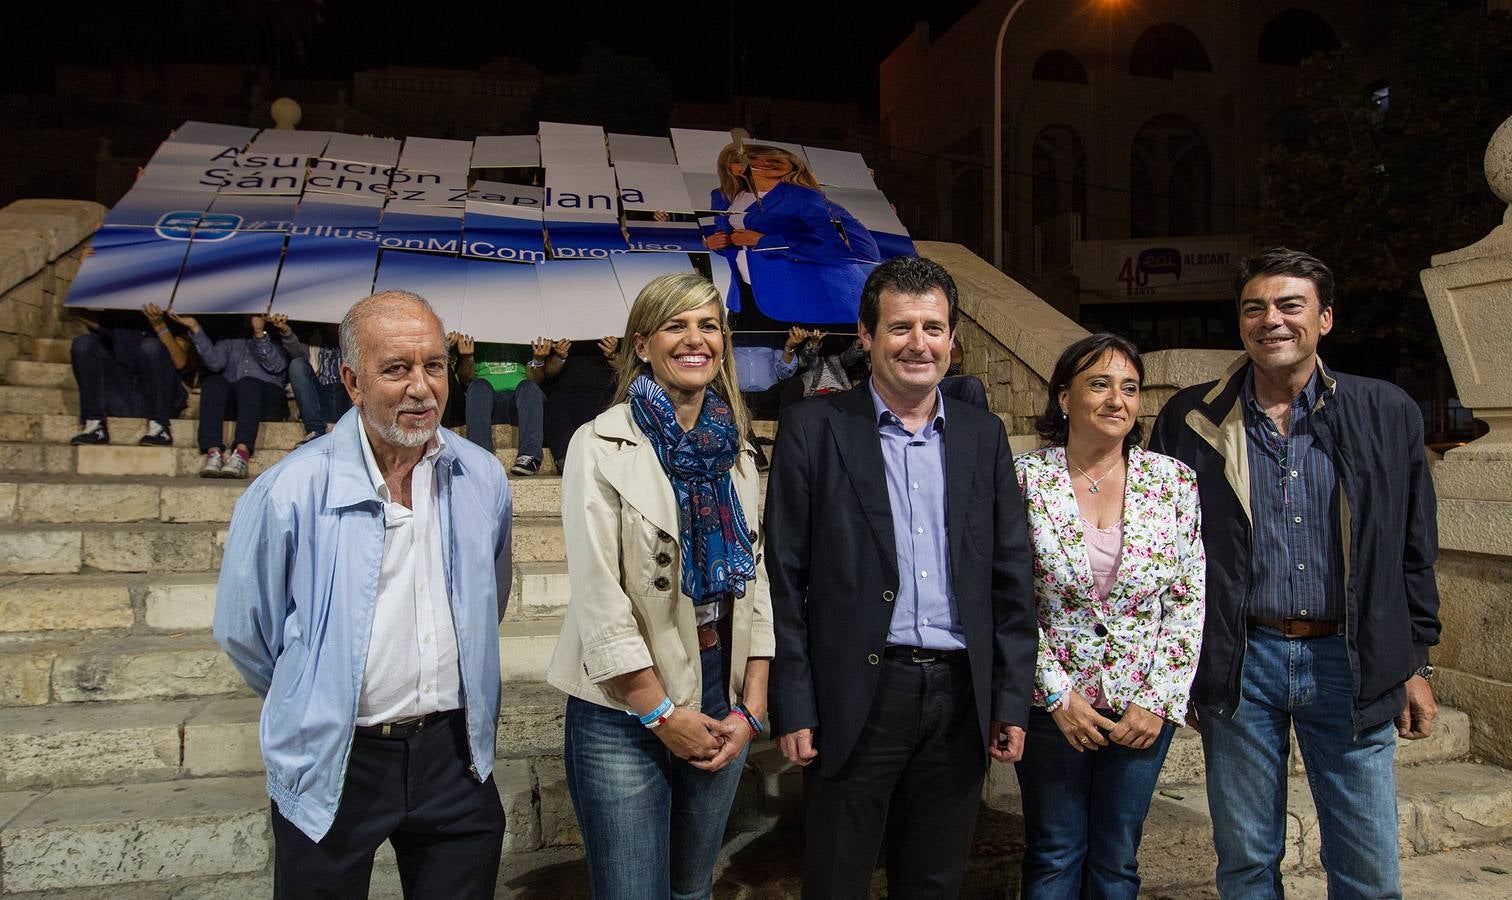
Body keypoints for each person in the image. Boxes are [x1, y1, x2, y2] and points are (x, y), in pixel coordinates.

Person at [1148, 248, 1441, 898]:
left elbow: (1413, 548)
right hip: (1243, 662)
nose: (1270, 320)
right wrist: (1185, 670)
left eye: (1289, 305)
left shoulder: (1385, 412)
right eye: (1254, 308)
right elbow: (1162, 553)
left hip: (1351, 659)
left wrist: (1416, 664)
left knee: (1366, 863)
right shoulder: (1191, 420)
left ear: (1325, 318)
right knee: (1247, 859)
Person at [214, 289, 513, 899]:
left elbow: (492, 598)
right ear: (351, 381)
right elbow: (248, 633)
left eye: (433, 365)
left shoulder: (483, 475)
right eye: (396, 369)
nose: (421, 388)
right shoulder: (287, 492)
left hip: (454, 756)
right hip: (337, 756)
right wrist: (318, 693)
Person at [765, 255, 1038, 898]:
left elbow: (1010, 573)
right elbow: (786, 574)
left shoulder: (983, 433)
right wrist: (795, 700)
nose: (919, 343)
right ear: (866, 336)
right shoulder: (814, 429)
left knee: (935, 882)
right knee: (836, 878)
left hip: (958, 698)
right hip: (859, 691)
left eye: (933, 327)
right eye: (900, 327)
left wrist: (1008, 697)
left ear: (952, 339)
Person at [546, 272, 772, 899]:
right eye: (676, 325)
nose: (694, 339)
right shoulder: (598, 444)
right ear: (641, 345)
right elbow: (598, 597)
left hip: (719, 685)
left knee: (692, 890)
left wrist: (752, 708)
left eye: (708, 325)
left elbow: (757, 585)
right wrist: (660, 712)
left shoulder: (740, 453)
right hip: (623, 703)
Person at [1013, 333, 1205, 899]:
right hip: (1053, 706)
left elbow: (1188, 598)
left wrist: (1159, 700)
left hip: (1140, 707)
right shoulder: (1024, 479)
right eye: (1099, 384)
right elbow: (1009, 597)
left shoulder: (1172, 481)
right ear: (1064, 397)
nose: (1116, 399)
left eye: (1129, 388)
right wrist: (1055, 694)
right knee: (1053, 851)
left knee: (1118, 856)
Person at [704, 143, 881, 326]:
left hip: (811, 299)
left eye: (772, 159)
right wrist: (715, 243)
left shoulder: (806, 197)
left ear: (790, 163)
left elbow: (864, 252)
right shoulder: (724, 197)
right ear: (731, 167)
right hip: (748, 296)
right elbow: (734, 243)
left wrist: (766, 241)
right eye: (751, 159)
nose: (763, 163)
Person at [174, 312, 289, 479]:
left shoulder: (275, 337)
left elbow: (276, 365)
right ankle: (213, 452)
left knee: (249, 383)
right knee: (213, 382)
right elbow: (215, 363)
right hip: (237, 403)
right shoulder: (230, 339)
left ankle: (241, 454)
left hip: (266, 402)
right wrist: (195, 327)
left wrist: (259, 334)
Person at [68, 304, 191, 446]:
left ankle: (160, 427)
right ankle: (94, 424)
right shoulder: (120, 314)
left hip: (160, 399)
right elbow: (76, 312)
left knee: (152, 347)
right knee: (83, 343)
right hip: (122, 396)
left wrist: (159, 325)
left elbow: (180, 362)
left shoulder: (175, 317)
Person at [454, 334, 548, 476]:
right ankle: (481, 456)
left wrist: (539, 360)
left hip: (520, 403)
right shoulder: (476, 337)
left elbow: (536, 381)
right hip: (486, 403)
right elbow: (466, 379)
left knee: (529, 387)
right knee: (477, 386)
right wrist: (467, 357)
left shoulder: (524, 336)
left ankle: (530, 455)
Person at [539, 335, 619, 472]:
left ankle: (609, 463)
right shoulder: (555, 325)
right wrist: (560, 356)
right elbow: (548, 372)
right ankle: (566, 460)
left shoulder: (614, 329)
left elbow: (627, 367)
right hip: (564, 391)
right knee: (555, 408)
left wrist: (613, 355)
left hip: (605, 390)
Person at [269, 314, 350, 445]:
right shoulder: (313, 340)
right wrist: (286, 331)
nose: (335, 327)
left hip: (347, 398)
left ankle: (351, 432)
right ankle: (315, 431)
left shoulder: (356, 343)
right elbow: (297, 354)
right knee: (297, 364)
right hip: (320, 396)